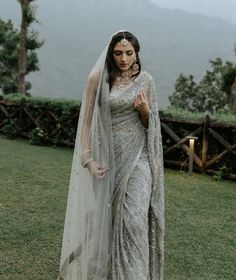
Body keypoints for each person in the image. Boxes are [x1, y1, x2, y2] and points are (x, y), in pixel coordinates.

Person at [58, 31, 164, 280]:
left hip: (139, 159)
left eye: (129, 53)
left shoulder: (146, 80)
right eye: (118, 53)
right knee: (108, 223)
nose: (124, 58)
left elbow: (153, 125)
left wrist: (146, 111)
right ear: (110, 53)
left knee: (135, 221)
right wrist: (88, 160)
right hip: (108, 160)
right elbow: (85, 124)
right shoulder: (98, 79)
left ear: (137, 53)